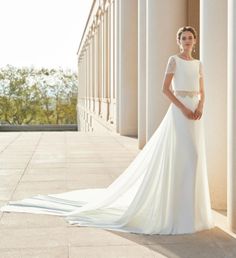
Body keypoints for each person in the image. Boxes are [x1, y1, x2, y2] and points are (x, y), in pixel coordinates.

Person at [0, 26, 215, 235]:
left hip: (196, 113)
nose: (187, 41)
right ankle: (176, 215)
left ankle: (193, 215)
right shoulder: (174, 60)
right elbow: (165, 90)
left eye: (190, 38)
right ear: (179, 41)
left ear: (195, 41)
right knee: (185, 158)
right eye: (184, 38)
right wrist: (185, 109)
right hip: (180, 113)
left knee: (194, 159)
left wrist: (200, 107)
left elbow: (203, 91)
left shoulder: (198, 64)